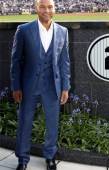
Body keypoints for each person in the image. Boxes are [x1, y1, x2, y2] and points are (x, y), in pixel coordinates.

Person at [10, 0, 70, 169]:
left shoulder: (63, 31)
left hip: (53, 86)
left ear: (54, 8)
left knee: (52, 123)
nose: (46, 10)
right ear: (36, 8)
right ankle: (22, 159)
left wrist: (65, 87)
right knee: (25, 123)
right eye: (42, 6)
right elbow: (16, 61)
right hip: (29, 85)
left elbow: (64, 62)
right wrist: (16, 86)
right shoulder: (24, 30)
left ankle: (50, 156)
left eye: (50, 7)